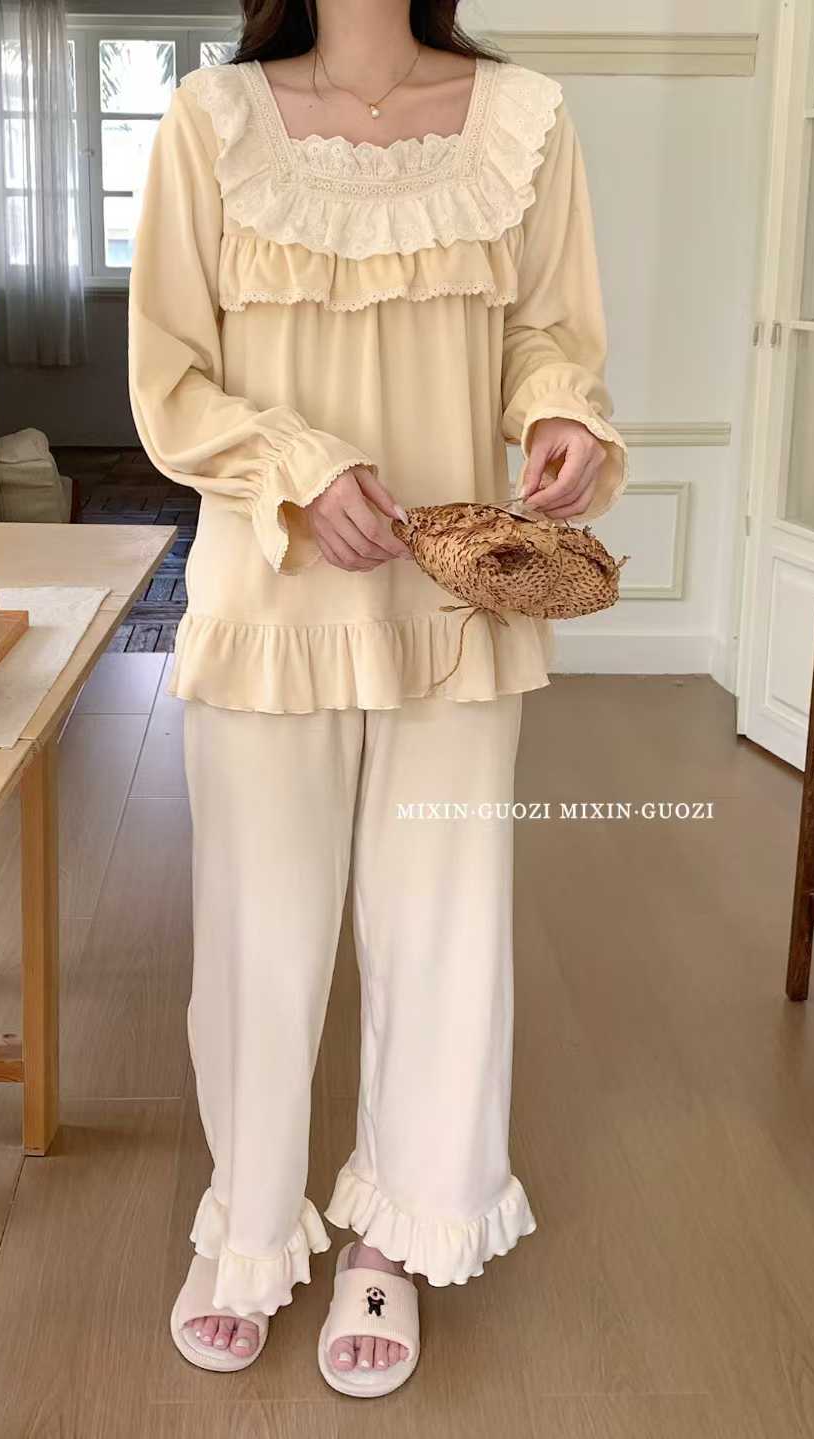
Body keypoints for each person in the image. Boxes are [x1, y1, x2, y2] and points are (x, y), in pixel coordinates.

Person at [128, 0, 627, 1398]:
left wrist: (563, 417)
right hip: (270, 592)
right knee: (259, 936)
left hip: (456, 596)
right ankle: (246, 1227)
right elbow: (169, 381)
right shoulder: (211, 122)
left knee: (444, 929)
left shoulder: (522, 119)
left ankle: (397, 1237)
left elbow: (549, 335)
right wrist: (295, 463)